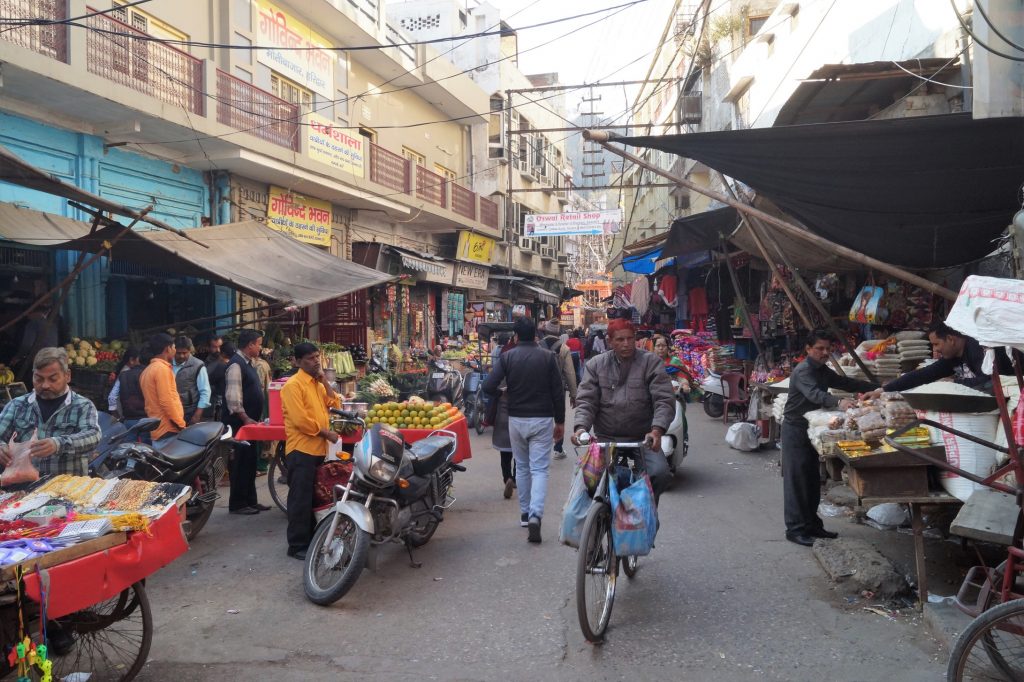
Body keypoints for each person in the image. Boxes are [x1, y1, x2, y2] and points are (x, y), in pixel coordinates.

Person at [782, 330, 879, 547]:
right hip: (795, 429)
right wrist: (839, 402)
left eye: (828, 349)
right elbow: (815, 395)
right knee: (797, 480)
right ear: (808, 349)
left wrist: (878, 387)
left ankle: (813, 526)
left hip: (813, 427)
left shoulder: (822, 370)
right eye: (820, 348)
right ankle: (795, 529)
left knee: (812, 479)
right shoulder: (803, 371)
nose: (825, 352)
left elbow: (846, 383)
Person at [572, 319, 675, 503]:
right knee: (590, 479)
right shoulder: (596, 365)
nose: (626, 344)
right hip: (607, 438)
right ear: (610, 341)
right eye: (620, 340)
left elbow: (664, 400)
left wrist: (657, 430)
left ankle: (647, 512)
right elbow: (587, 400)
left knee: (660, 473)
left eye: (630, 338)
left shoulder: (651, 362)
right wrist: (581, 428)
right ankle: (600, 516)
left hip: (643, 438)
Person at [482, 317, 564, 543]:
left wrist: (502, 393)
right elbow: (558, 391)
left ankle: (526, 514)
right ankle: (537, 514)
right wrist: (561, 422)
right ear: (535, 337)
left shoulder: (507, 357)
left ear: (516, 337)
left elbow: (488, 386)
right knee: (539, 469)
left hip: (516, 419)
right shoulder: (548, 357)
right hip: (542, 418)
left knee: (524, 468)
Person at [280, 342, 341, 560]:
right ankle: (296, 545)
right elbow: (301, 421)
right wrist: (327, 434)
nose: (316, 361)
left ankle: (311, 540)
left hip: (318, 450)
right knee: (300, 499)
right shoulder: (293, 386)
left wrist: (324, 380)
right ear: (297, 362)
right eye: (310, 358)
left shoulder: (316, 383)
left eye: (317, 357)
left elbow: (334, 403)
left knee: (315, 497)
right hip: (301, 450)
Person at [0, 347, 100, 477]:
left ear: (67, 376)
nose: (45, 385)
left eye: (52, 379)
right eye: (39, 379)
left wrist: (58, 444)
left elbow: (93, 436)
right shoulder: (17, 405)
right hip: (22, 490)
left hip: (66, 490)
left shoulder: (82, 406)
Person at [880, 321, 1013, 394]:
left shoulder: (978, 348)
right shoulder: (953, 357)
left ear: (950, 339)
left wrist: (953, 384)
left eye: (936, 344)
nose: (935, 350)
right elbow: (924, 374)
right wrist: (884, 389)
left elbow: (990, 382)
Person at [224, 330, 269, 515]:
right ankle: (238, 503)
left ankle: (251, 500)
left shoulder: (248, 363)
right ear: (250, 345)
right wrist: (245, 418)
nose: (260, 347)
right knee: (240, 463)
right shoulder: (236, 365)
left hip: (250, 424)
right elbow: (233, 397)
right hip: (239, 424)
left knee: (250, 462)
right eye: (258, 344)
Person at [139, 333, 186, 450]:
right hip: (168, 429)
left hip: (158, 430)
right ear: (168, 349)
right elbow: (166, 401)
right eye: (174, 347)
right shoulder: (162, 369)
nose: (175, 350)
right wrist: (181, 425)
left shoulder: (147, 370)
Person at [540, 319, 577, 460]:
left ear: (546, 330)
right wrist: (574, 394)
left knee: (543, 417)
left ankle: (542, 447)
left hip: (540, 388)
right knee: (559, 417)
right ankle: (558, 448)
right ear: (558, 332)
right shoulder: (564, 348)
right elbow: (570, 373)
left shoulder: (538, 346)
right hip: (557, 388)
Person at [490, 333, 516, 499]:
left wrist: (499, 391)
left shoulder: (503, 357)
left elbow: (488, 384)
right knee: (520, 451)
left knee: (505, 452)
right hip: (523, 410)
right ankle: (514, 477)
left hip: (504, 405)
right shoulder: (524, 358)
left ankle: (506, 477)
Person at [172, 336, 211, 426]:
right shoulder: (167, 363)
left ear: (190, 351)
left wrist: (197, 415)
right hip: (171, 411)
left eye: (184, 353)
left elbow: (205, 392)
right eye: (178, 353)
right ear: (173, 350)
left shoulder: (198, 365)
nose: (181, 356)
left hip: (189, 412)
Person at [206, 342, 234, 422]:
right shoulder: (236, 364)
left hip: (220, 401)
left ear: (223, 354)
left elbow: (209, 382)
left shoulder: (220, 366)